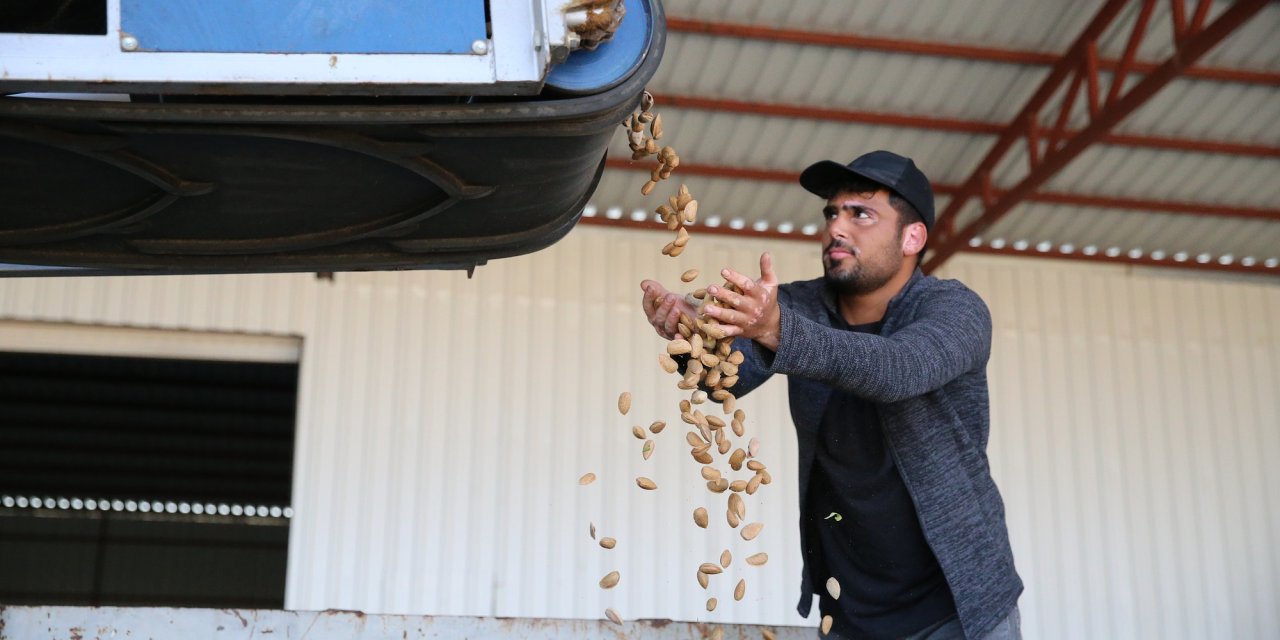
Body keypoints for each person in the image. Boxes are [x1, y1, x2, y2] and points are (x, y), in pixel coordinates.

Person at [640, 151, 1022, 639]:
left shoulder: (954, 310)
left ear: (913, 237)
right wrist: (690, 338)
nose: (836, 227)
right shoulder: (800, 305)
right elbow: (730, 381)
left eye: (860, 213)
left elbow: (897, 370)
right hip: (846, 611)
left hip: (956, 610)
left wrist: (778, 330)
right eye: (832, 213)